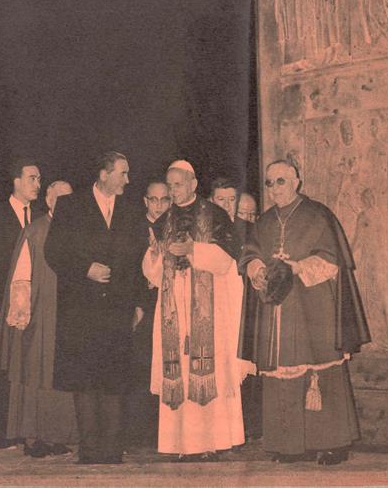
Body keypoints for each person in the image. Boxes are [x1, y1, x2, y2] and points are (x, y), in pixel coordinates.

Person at [240, 158, 370, 465]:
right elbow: (251, 251)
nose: (274, 189)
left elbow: (332, 259)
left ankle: (332, 444)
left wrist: (298, 267)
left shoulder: (318, 214)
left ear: (297, 181)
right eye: (269, 183)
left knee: (321, 369)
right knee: (282, 372)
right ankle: (290, 445)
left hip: (314, 305)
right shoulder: (265, 221)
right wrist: (256, 268)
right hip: (278, 309)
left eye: (281, 181)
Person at [143, 160, 250, 460]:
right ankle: (180, 444)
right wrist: (154, 255)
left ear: (192, 184)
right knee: (178, 368)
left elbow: (228, 261)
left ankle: (210, 443)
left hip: (208, 304)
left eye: (177, 185)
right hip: (173, 303)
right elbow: (152, 274)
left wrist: (193, 250)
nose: (172, 191)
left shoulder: (214, 215)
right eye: (169, 185)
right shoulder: (163, 221)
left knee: (208, 368)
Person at [44, 151, 143, 464]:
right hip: (80, 308)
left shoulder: (131, 209)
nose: (127, 180)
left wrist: (139, 302)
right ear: (104, 174)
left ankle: (112, 450)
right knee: (85, 379)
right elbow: (54, 251)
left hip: (118, 307)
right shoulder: (71, 206)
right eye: (123, 173)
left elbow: (141, 258)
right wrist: (84, 269)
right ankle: (89, 450)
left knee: (115, 378)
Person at [0, 180, 77, 458]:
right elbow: (21, 276)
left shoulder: (77, 232)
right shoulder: (36, 230)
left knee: (61, 376)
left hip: (67, 316)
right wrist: (20, 315)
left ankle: (55, 437)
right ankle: (32, 438)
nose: (64, 204)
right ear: (49, 201)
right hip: (39, 316)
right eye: (59, 198)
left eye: (69, 199)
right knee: (33, 374)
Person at [0, 158, 41, 448]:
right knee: (2, 367)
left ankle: (25, 430)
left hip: (31, 307)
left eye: (39, 179)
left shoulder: (40, 217)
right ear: (16, 181)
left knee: (27, 367)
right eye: (32, 179)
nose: (37, 184)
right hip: (2, 306)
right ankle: (2, 433)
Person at [210, 178, 262, 440]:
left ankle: (249, 427)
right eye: (221, 200)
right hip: (215, 309)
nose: (227, 206)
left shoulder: (250, 230)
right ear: (211, 201)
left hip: (244, 305)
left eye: (232, 200)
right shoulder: (205, 230)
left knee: (244, 364)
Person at [126, 181, 171, 448]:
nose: (158, 206)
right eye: (153, 200)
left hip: (168, 306)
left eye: (164, 200)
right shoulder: (133, 229)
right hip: (141, 308)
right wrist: (137, 305)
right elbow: (128, 269)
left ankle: (163, 430)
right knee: (141, 365)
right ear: (145, 201)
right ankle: (139, 433)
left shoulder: (176, 227)